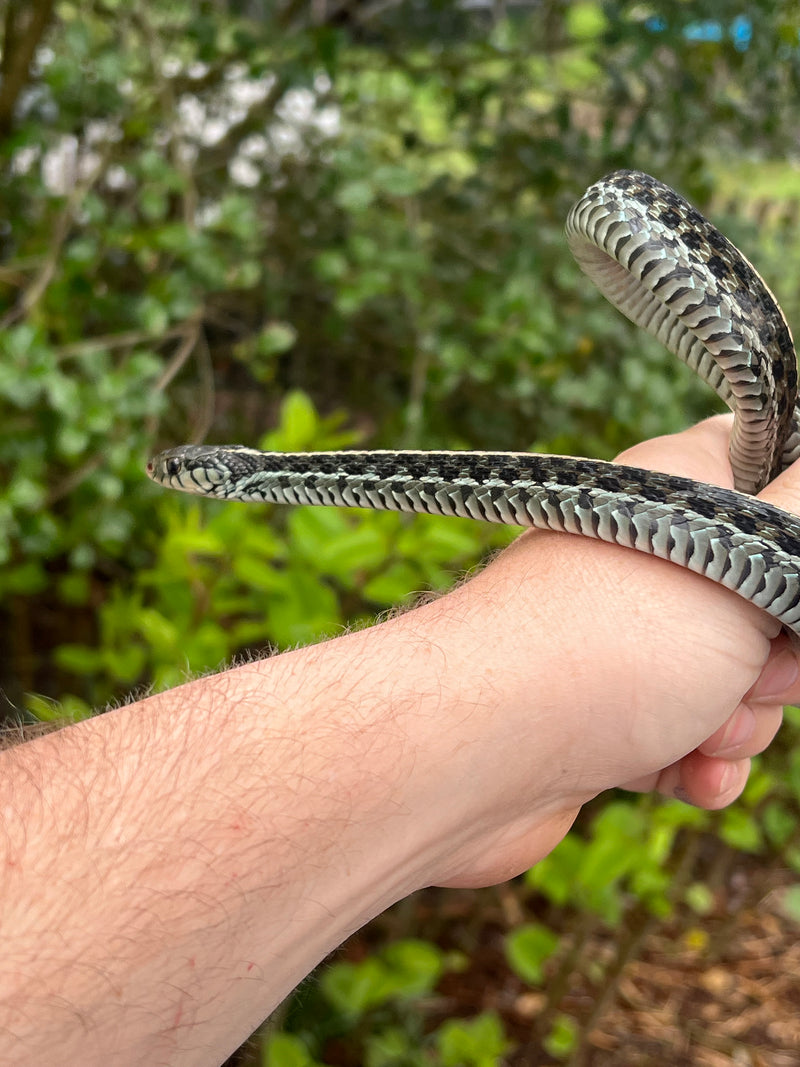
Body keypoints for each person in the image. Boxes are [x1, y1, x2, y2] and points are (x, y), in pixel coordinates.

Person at [2, 414, 799, 1067]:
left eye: (181, 472)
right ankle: (495, 777)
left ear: (223, 477)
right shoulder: (286, 475)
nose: (169, 475)